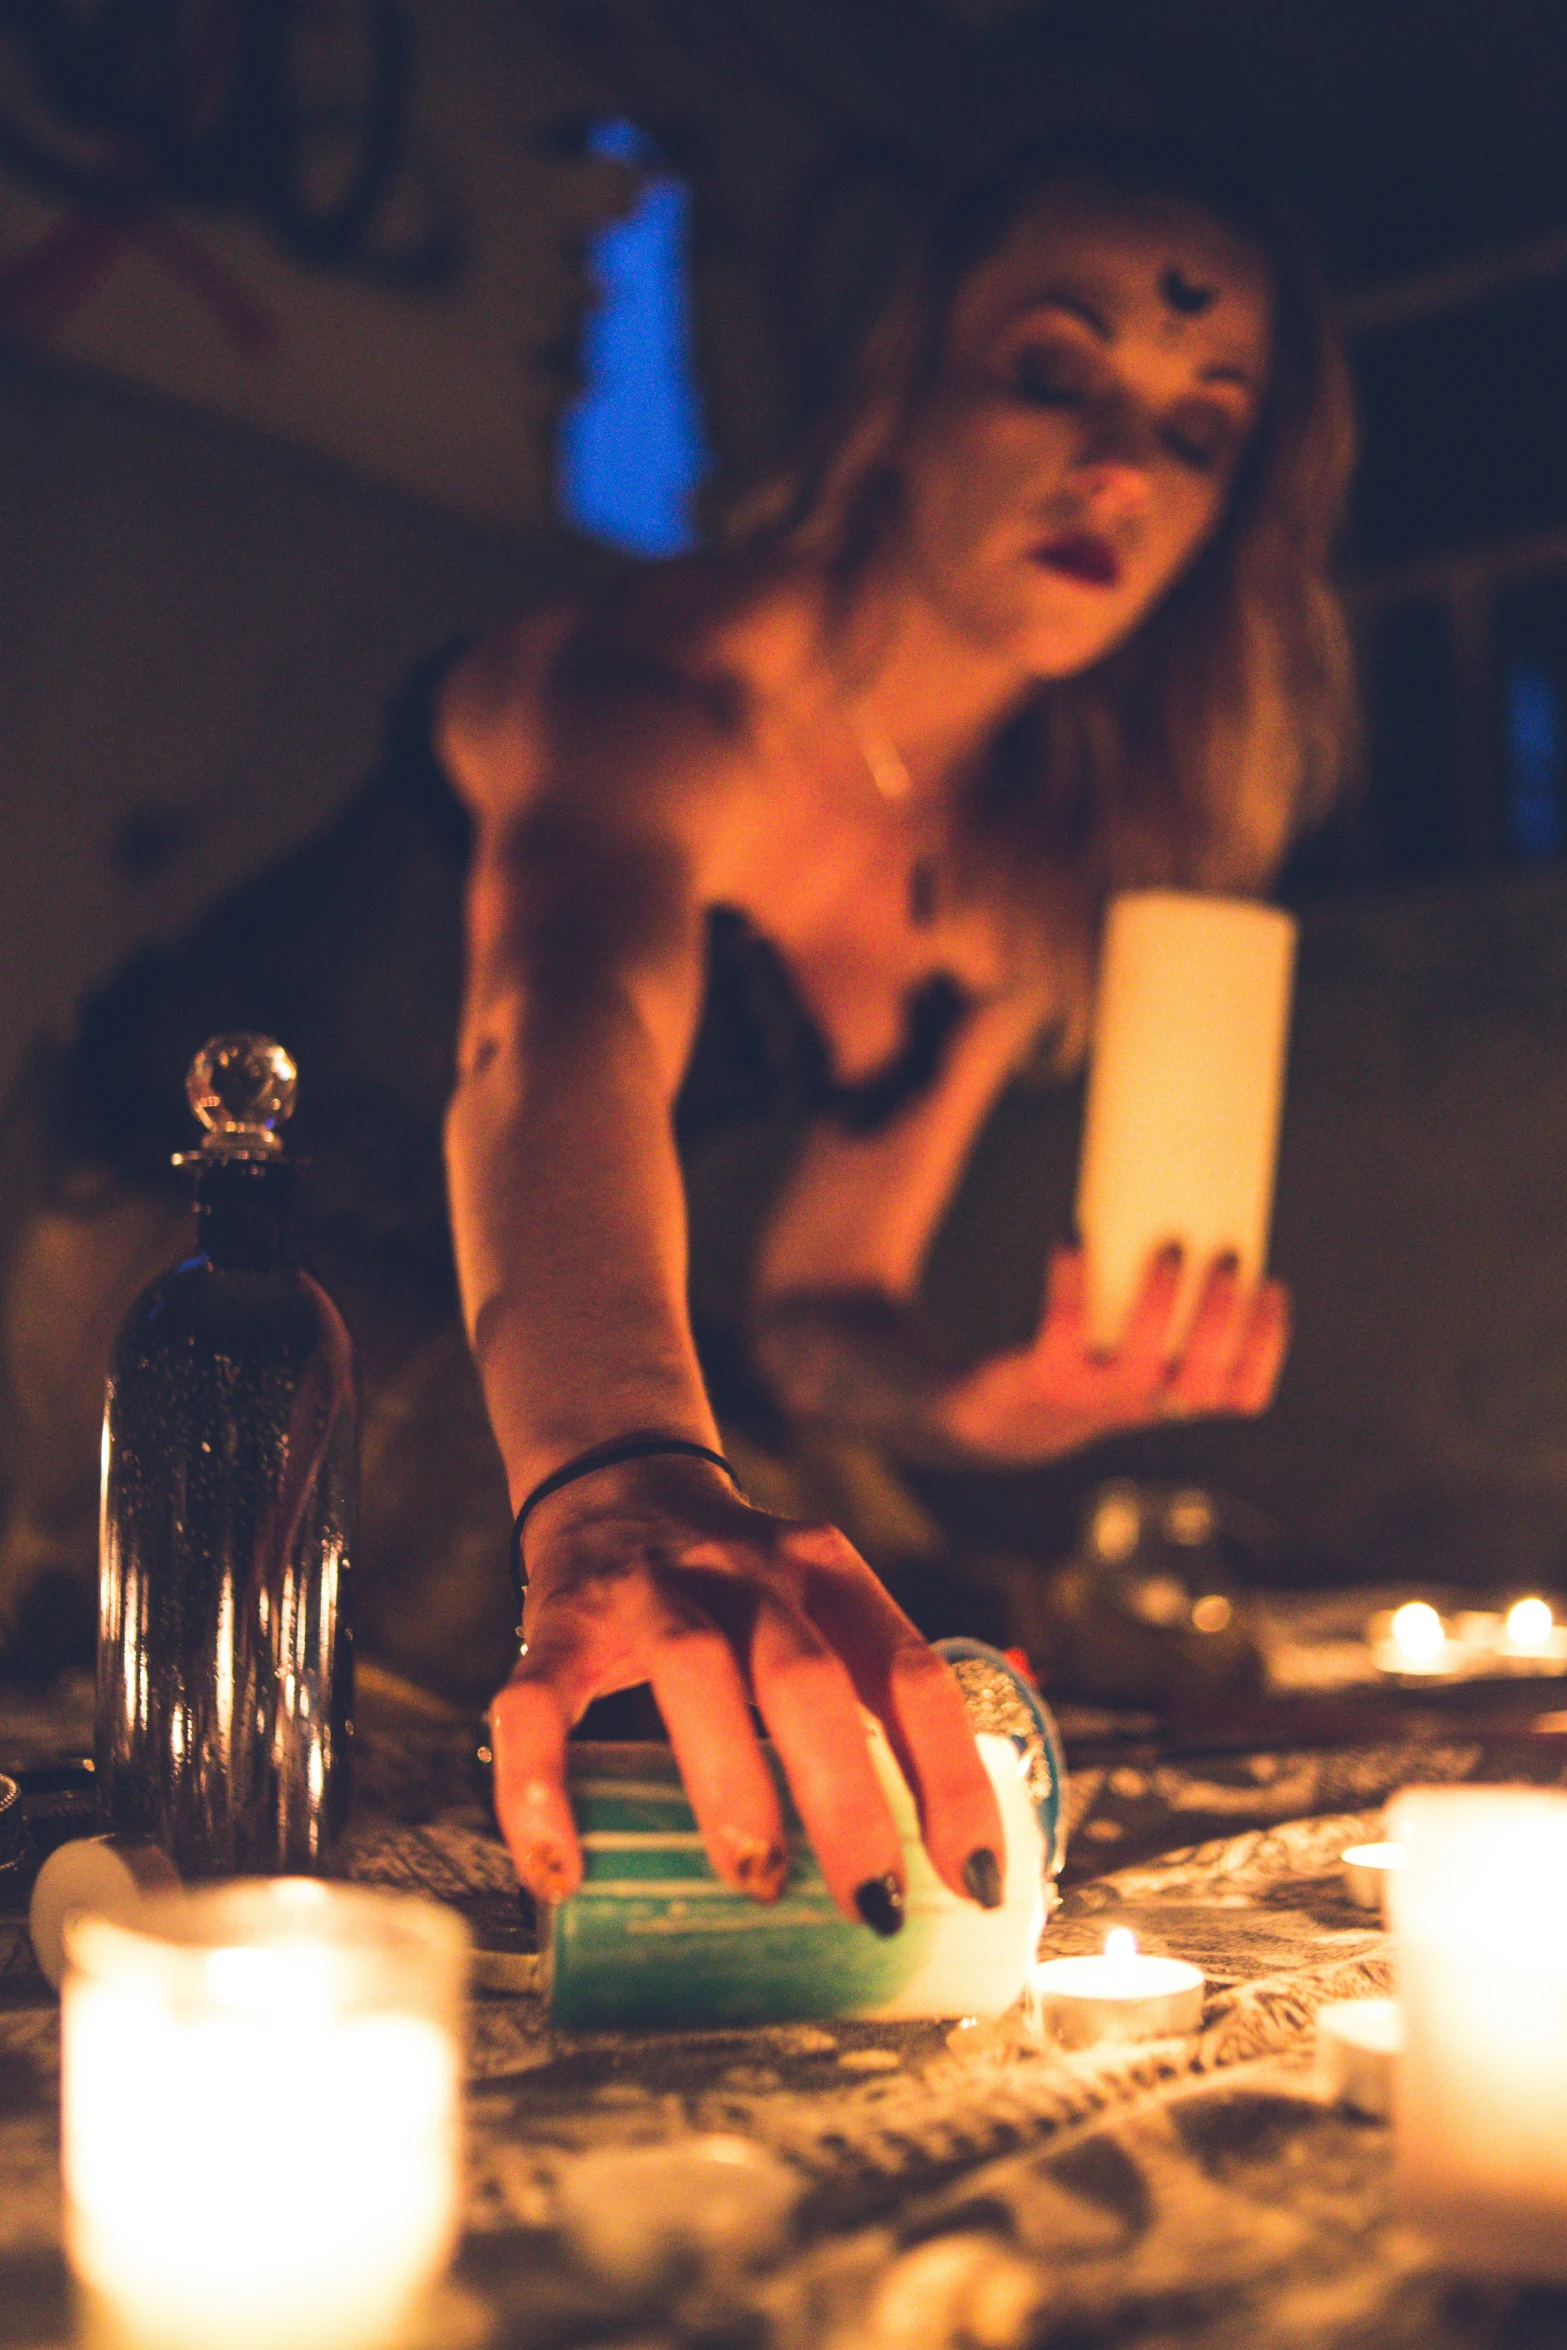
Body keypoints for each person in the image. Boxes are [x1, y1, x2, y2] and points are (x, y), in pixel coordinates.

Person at [437, 123, 1357, 1936]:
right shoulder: (661, 685)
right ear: (906, 392)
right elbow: (558, 1029)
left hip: (583, 1391)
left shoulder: (1020, 867)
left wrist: (976, 1402)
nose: (1117, 464)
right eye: (1052, 372)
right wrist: (623, 1467)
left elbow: (816, 1310)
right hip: (230, 1297)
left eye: (1195, 427)